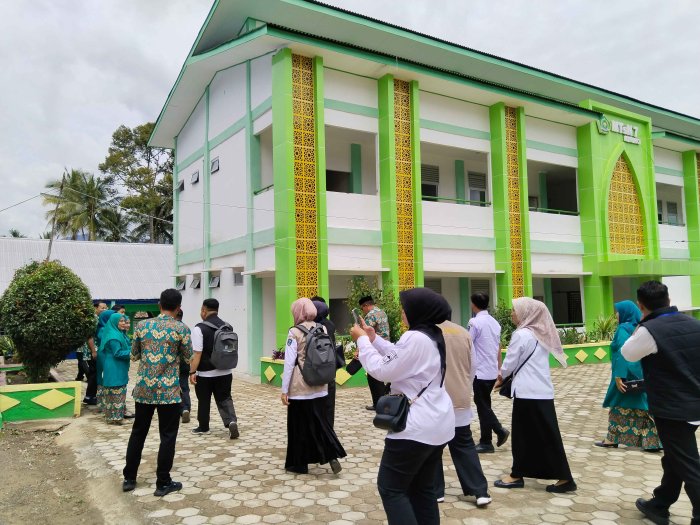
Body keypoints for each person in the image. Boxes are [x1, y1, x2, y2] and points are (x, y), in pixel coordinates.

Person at [351, 287, 455, 525]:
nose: (401, 313)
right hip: (437, 422)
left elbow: (382, 370)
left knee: (391, 488)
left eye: (405, 309)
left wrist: (363, 341)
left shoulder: (415, 338)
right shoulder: (431, 335)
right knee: (422, 489)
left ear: (418, 311)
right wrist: (374, 339)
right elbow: (400, 355)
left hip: (415, 428)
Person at [621, 280, 700, 525]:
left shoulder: (649, 330)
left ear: (640, 305)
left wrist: (642, 323)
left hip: (673, 408)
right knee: (675, 456)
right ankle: (660, 503)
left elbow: (628, 353)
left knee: (688, 463)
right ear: (668, 300)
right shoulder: (693, 323)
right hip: (694, 402)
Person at [494, 297, 576, 493]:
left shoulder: (521, 334)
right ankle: (558, 476)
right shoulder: (541, 334)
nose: (512, 314)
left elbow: (510, 363)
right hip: (542, 390)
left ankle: (518, 475)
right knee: (545, 435)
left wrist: (500, 377)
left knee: (524, 436)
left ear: (526, 313)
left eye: (515, 310)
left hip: (527, 392)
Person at [122, 288, 193, 497]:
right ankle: (163, 483)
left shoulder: (142, 326)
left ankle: (129, 479)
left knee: (138, 432)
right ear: (178, 308)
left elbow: (134, 355)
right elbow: (188, 357)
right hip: (169, 392)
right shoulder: (181, 329)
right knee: (168, 436)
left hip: (144, 389)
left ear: (159, 305)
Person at [281, 298, 346, 475]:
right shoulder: (322, 328)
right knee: (320, 424)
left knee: (298, 426)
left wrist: (284, 390)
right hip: (320, 386)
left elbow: (289, 363)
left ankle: (299, 464)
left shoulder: (294, 332)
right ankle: (331, 455)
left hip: (300, 387)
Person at [435, 318, 491, 508]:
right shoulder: (462, 332)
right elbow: (472, 367)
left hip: (435, 400)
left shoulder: (426, 333)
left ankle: (436, 491)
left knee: (432, 448)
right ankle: (480, 491)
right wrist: (464, 386)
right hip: (460, 398)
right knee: (464, 446)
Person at [595, 300, 660, 451]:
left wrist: (619, 375)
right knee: (643, 408)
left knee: (617, 406)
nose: (616, 315)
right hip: (640, 374)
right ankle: (651, 442)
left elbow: (622, 351)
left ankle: (611, 440)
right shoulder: (639, 328)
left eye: (618, 312)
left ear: (626, 312)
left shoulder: (622, 329)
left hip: (625, 376)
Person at [188, 299, 239, 439]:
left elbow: (197, 354)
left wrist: (192, 371)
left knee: (204, 400)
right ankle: (231, 422)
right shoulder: (227, 327)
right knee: (225, 398)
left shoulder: (199, 328)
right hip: (226, 371)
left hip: (205, 373)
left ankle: (203, 427)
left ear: (203, 310)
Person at [468, 292, 509, 454]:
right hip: (491, 371)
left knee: (482, 405)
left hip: (480, 371)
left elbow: (467, 344)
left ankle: (499, 431)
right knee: (484, 405)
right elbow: (498, 347)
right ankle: (486, 441)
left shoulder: (474, 322)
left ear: (473, 304)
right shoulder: (494, 322)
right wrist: (499, 368)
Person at [311, 296, 342, 428]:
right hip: (330, 370)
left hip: (316, 371)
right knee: (329, 404)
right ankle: (329, 429)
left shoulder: (314, 326)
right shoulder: (330, 324)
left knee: (317, 403)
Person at [100, 313, 132, 425]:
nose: (123, 323)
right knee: (116, 390)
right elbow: (117, 353)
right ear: (114, 322)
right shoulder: (114, 337)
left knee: (117, 390)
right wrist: (132, 353)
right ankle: (117, 418)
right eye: (121, 321)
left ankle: (114, 416)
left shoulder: (118, 333)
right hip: (114, 366)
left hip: (117, 365)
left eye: (124, 321)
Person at [359, 295, 390, 410]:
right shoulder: (382, 312)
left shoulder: (370, 315)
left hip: (375, 348)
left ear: (366, 305)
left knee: (373, 377)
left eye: (362, 308)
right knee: (380, 376)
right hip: (384, 347)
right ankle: (383, 401)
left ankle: (378, 404)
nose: (363, 311)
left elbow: (365, 333)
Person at [95, 309, 117, 411]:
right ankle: (105, 403)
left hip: (105, 354)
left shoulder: (106, 328)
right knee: (105, 377)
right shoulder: (103, 330)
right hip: (104, 355)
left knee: (104, 377)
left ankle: (104, 403)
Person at [176, 309, 191, 424]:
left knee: (173, 386)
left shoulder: (171, 328)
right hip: (185, 362)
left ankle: (177, 408)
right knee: (184, 386)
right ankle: (186, 408)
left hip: (172, 363)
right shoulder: (186, 328)